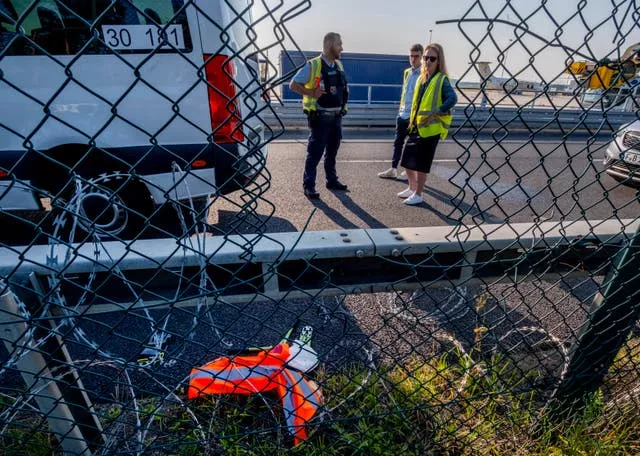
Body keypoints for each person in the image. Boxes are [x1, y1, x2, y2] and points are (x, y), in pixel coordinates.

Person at [289, 32, 349, 199]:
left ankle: (332, 180)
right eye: (339, 44)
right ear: (330, 45)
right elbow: (293, 84)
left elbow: (343, 89)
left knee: (332, 153)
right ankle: (309, 186)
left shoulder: (339, 66)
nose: (342, 48)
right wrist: (311, 92)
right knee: (314, 154)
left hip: (337, 117)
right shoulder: (314, 65)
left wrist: (343, 107)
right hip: (320, 117)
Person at [397, 43, 457, 206]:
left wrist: (436, 112)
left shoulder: (441, 79)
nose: (428, 61)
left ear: (439, 61)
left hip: (431, 130)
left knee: (421, 164)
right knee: (406, 160)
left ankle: (418, 193)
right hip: (416, 125)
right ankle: (411, 188)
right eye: (426, 58)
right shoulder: (422, 79)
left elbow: (452, 99)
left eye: (432, 58)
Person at [378, 43, 423, 182]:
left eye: (416, 56)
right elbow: (406, 92)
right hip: (403, 113)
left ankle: (408, 171)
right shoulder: (407, 72)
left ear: (421, 57)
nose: (413, 59)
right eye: (411, 56)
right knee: (398, 143)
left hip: (414, 116)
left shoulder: (424, 74)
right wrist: (400, 110)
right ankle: (393, 169)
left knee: (412, 146)